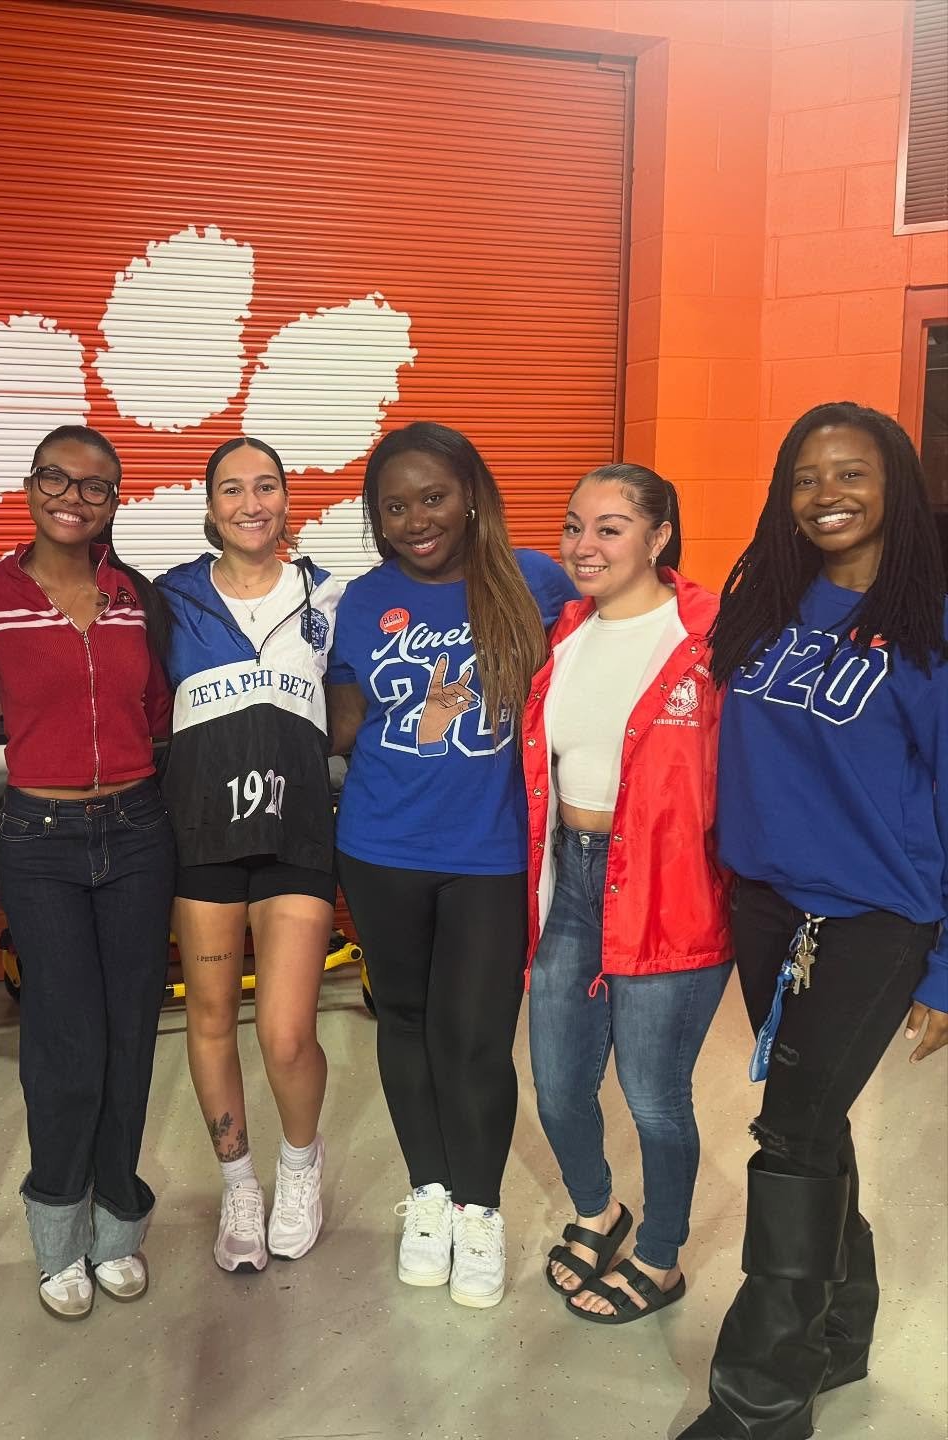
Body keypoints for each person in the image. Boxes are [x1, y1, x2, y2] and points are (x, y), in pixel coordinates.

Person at [678, 402, 948, 1439]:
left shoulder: (925, 632)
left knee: (786, 1137)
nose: (826, 495)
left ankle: (759, 1399)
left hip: (879, 920)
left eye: (852, 475)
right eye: (805, 477)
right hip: (765, 910)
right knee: (814, 1124)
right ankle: (842, 1332)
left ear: (896, 492)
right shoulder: (766, 608)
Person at [326, 420, 577, 1308]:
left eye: (433, 497)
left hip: (491, 852)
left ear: (471, 494)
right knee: (403, 1020)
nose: (416, 519)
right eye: (394, 506)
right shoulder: (361, 599)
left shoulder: (535, 581)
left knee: (473, 1040)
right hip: (380, 844)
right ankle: (428, 1196)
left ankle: (480, 1209)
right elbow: (345, 720)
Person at [0, 424, 175, 1320]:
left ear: (113, 504)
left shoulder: (136, 598)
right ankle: (57, 1230)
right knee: (64, 1045)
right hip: (40, 837)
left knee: (131, 1035)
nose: (74, 498)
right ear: (30, 485)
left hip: (137, 832)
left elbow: (158, 711)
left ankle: (117, 1220)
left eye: (96, 488)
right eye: (57, 478)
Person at [523, 463, 731, 1325]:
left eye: (610, 527)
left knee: (653, 1095)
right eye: (575, 525)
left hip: (669, 891)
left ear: (659, 538)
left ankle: (661, 1254)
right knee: (558, 1083)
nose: (583, 545)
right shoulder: (564, 632)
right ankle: (596, 1211)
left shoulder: (714, 637)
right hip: (570, 879)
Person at [156, 437, 342, 1273]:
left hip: (296, 837)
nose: (250, 502)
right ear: (209, 507)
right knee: (207, 1020)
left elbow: (350, 714)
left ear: (286, 500)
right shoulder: (170, 601)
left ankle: (298, 1167)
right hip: (201, 840)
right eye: (232, 489)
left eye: (266, 484)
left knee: (288, 1032)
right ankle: (238, 1184)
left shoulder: (329, 597)